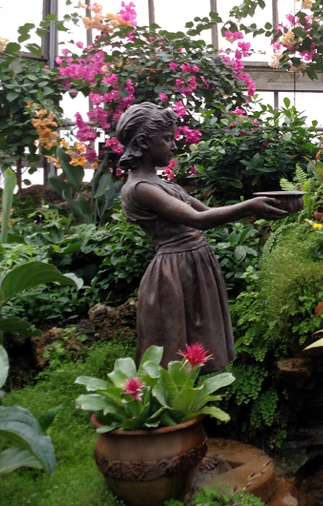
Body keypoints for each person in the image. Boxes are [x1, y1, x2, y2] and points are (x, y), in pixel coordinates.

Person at [115, 102, 298, 372]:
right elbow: (197, 219)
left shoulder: (162, 184)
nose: (174, 146)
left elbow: (209, 212)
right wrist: (249, 206)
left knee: (203, 341)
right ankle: (177, 408)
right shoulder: (140, 189)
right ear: (143, 141)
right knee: (175, 349)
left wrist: (256, 204)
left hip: (195, 264)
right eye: (167, 139)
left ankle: (200, 404)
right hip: (174, 272)